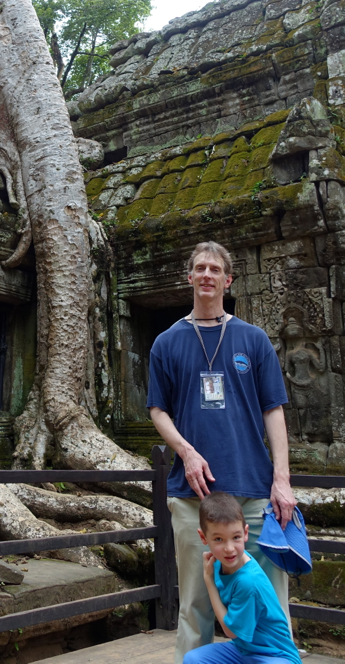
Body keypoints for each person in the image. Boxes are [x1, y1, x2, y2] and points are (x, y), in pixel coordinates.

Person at [147, 241, 296, 664]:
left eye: (216, 269)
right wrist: (186, 452)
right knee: (194, 604)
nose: (208, 275)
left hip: (252, 489)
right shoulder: (167, 342)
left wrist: (281, 481)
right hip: (193, 496)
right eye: (200, 268)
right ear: (189, 277)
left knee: (270, 600)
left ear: (227, 280)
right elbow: (158, 410)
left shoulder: (253, 338)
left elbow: (274, 411)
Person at [183, 492, 301, 664]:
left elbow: (231, 631)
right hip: (242, 650)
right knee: (193, 659)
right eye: (218, 539)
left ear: (245, 533)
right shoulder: (219, 562)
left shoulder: (248, 581)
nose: (229, 548)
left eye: (236, 537)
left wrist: (209, 582)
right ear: (203, 537)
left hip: (274, 656)